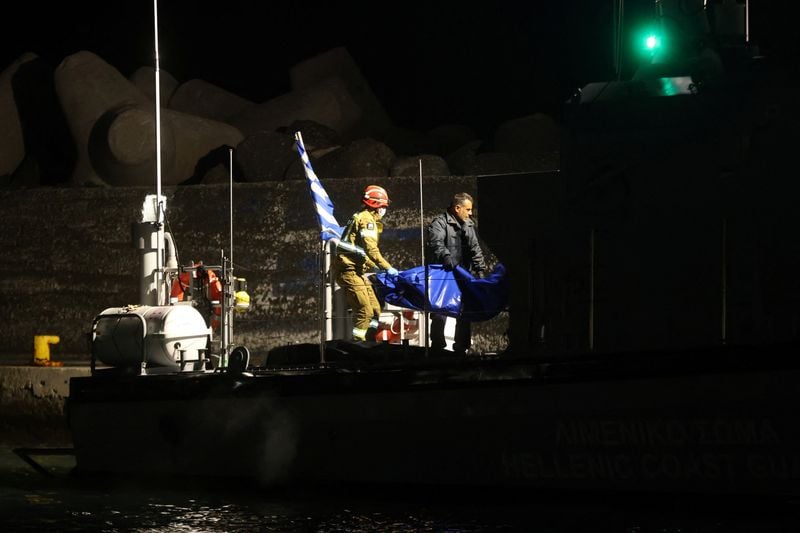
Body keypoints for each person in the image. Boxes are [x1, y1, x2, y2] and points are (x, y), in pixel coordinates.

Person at [334, 184, 399, 342]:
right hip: (349, 271)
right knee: (365, 311)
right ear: (376, 206)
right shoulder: (367, 220)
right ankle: (358, 344)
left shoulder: (361, 216)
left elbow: (359, 251)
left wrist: (373, 266)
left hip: (357, 270)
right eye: (383, 206)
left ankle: (370, 342)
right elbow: (372, 250)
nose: (384, 210)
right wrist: (388, 268)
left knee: (375, 310)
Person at [426, 192, 486, 355]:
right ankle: (437, 347)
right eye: (468, 209)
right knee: (440, 311)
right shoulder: (439, 223)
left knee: (465, 312)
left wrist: (480, 269)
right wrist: (446, 257)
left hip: (463, 274)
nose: (470, 213)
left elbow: (475, 248)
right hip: (443, 276)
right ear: (457, 208)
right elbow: (436, 243)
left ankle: (461, 347)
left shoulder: (469, 224)